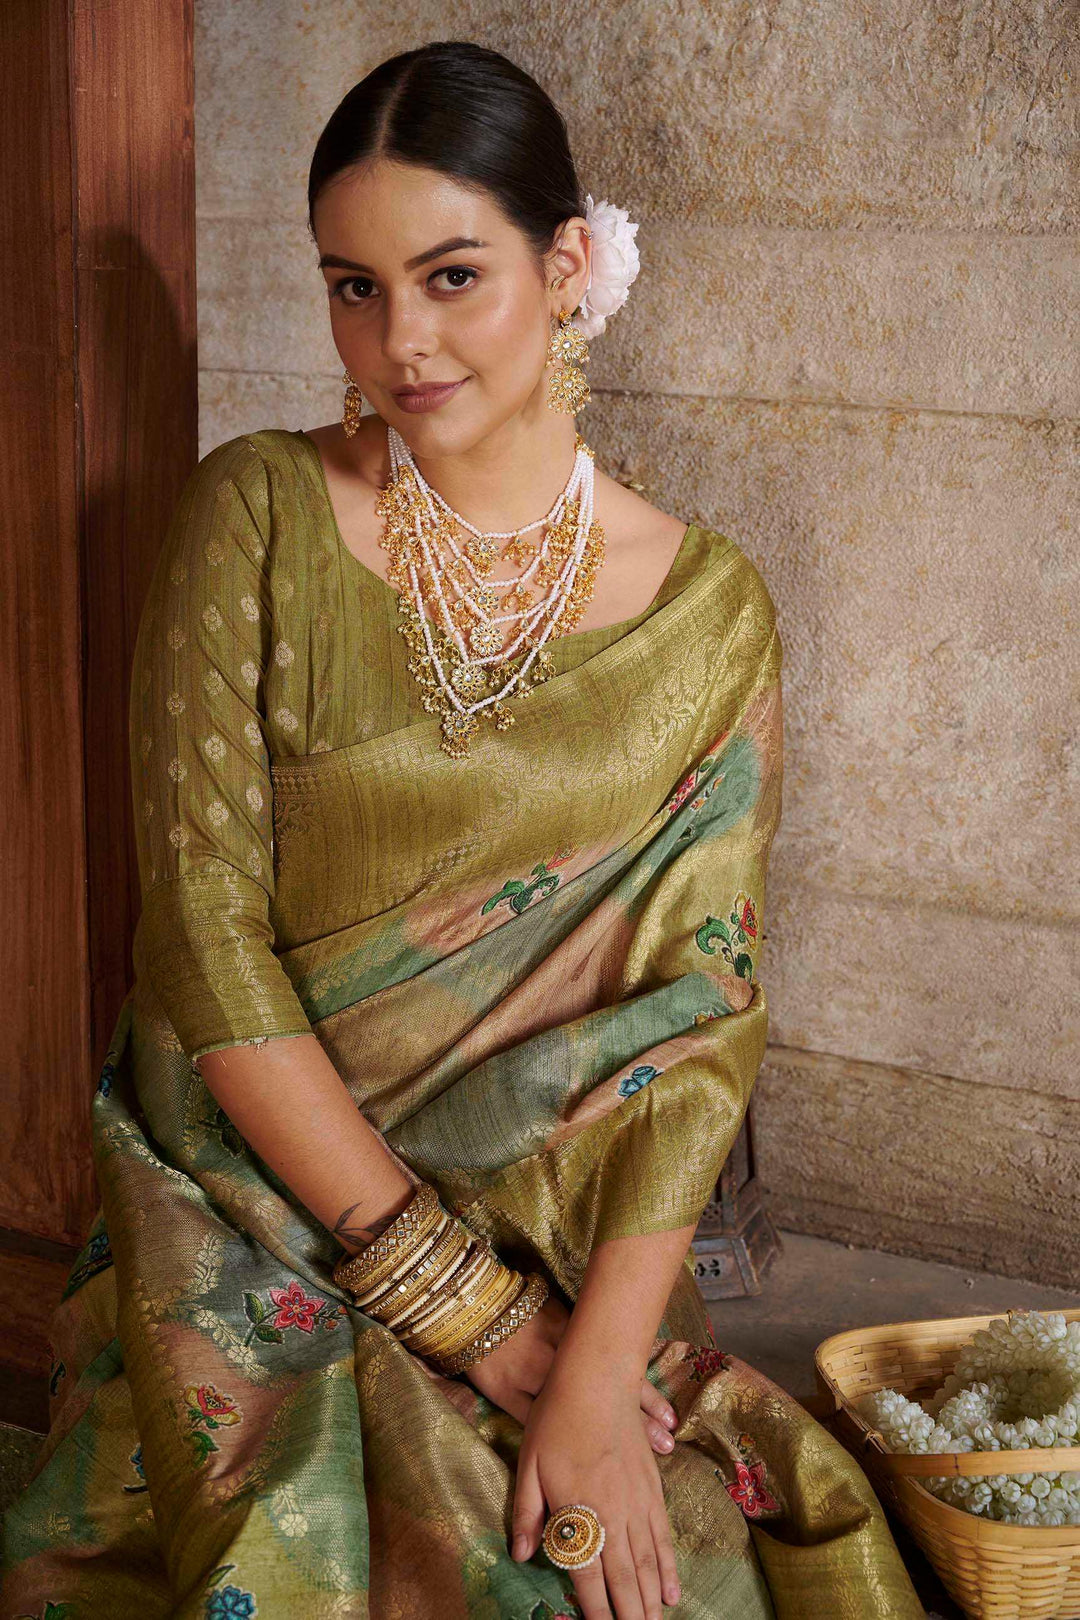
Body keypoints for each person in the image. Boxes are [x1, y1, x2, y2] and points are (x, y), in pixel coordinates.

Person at [1, 39, 925, 1620]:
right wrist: (475, 1322)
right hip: (261, 1201)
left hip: (546, 1215)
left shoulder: (708, 619)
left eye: (448, 275)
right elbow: (203, 942)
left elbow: (698, 1020)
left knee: (665, 1561)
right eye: (351, 286)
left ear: (567, 265)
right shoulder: (261, 519)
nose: (399, 342)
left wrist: (592, 1367)